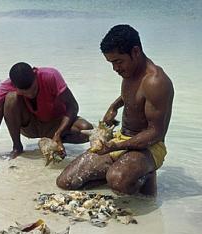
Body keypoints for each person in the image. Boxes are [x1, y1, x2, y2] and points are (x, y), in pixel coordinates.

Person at [56, 24, 174, 196]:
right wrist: (114, 106)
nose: (115, 68)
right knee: (66, 182)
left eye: (118, 61)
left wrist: (115, 146)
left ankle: (146, 175)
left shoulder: (156, 82)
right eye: (111, 63)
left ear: (135, 52)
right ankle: (121, 171)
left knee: (118, 181)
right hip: (121, 140)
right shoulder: (130, 71)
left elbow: (155, 132)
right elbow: (133, 95)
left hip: (149, 147)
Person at [0, 62, 93, 166]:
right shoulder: (5, 88)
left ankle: (55, 141)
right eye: (24, 92)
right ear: (14, 85)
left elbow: (73, 106)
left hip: (55, 123)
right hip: (30, 127)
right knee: (11, 99)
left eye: (32, 89)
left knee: (86, 129)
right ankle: (17, 147)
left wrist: (58, 133)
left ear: (35, 75)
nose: (30, 94)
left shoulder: (50, 76)